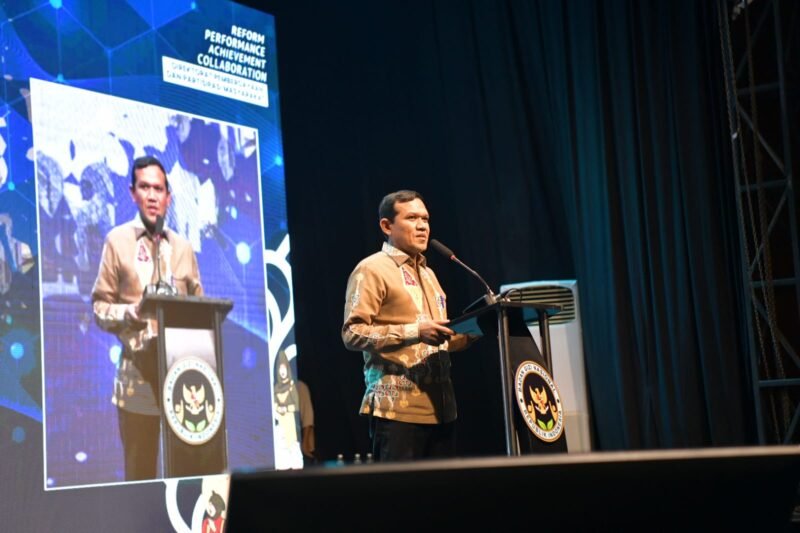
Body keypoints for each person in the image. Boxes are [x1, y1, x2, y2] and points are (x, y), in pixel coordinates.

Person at [92, 155, 203, 480]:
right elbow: (100, 307)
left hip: (182, 379)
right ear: (132, 193)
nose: (152, 195)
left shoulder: (183, 248)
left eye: (158, 188)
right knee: (140, 474)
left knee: (186, 474)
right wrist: (132, 312)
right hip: (136, 378)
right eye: (145, 187)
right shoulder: (118, 241)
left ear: (168, 196)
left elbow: (201, 307)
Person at [342, 190, 473, 461]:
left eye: (425, 218)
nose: (423, 225)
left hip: (442, 409)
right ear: (386, 226)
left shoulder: (429, 274)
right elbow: (352, 334)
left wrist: (475, 331)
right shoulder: (372, 269)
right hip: (397, 412)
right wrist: (415, 331)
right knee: (400, 501)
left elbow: (438, 339)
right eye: (412, 218)